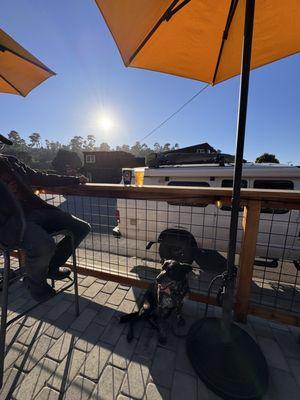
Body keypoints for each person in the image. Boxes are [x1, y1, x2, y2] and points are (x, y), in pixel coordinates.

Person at [0, 133, 91, 301]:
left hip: (34, 212)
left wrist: (75, 179)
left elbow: (41, 177)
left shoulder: (11, 162)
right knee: (44, 245)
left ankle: (51, 267)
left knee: (81, 227)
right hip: (9, 223)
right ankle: (35, 284)